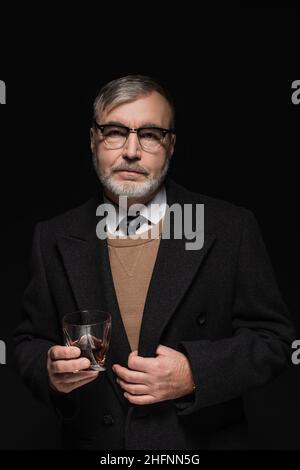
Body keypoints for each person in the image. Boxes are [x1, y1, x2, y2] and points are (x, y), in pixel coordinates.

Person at [14, 75, 295, 450]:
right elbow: (27, 341)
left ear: (171, 145)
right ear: (93, 140)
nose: (131, 150)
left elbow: (275, 340)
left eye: (149, 134)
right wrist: (49, 370)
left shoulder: (230, 228)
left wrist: (196, 372)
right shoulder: (51, 236)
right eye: (115, 131)